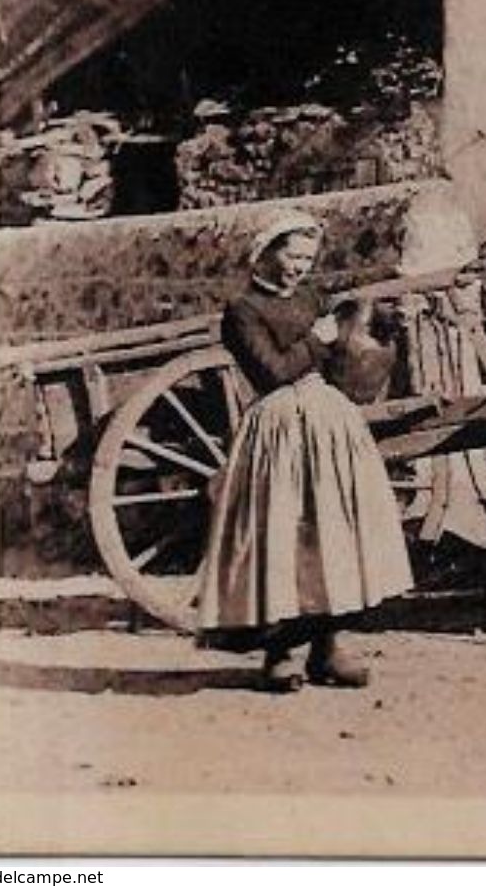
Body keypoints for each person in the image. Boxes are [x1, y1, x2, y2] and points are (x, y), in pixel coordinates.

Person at [197, 210, 414, 692]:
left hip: (328, 421)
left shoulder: (312, 297)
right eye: (292, 255)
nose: (299, 266)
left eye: (307, 258)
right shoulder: (243, 309)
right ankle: (279, 653)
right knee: (284, 536)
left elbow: (339, 360)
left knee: (333, 533)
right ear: (268, 251)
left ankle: (328, 649)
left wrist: (377, 329)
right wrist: (317, 339)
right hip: (278, 430)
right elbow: (273, 371)